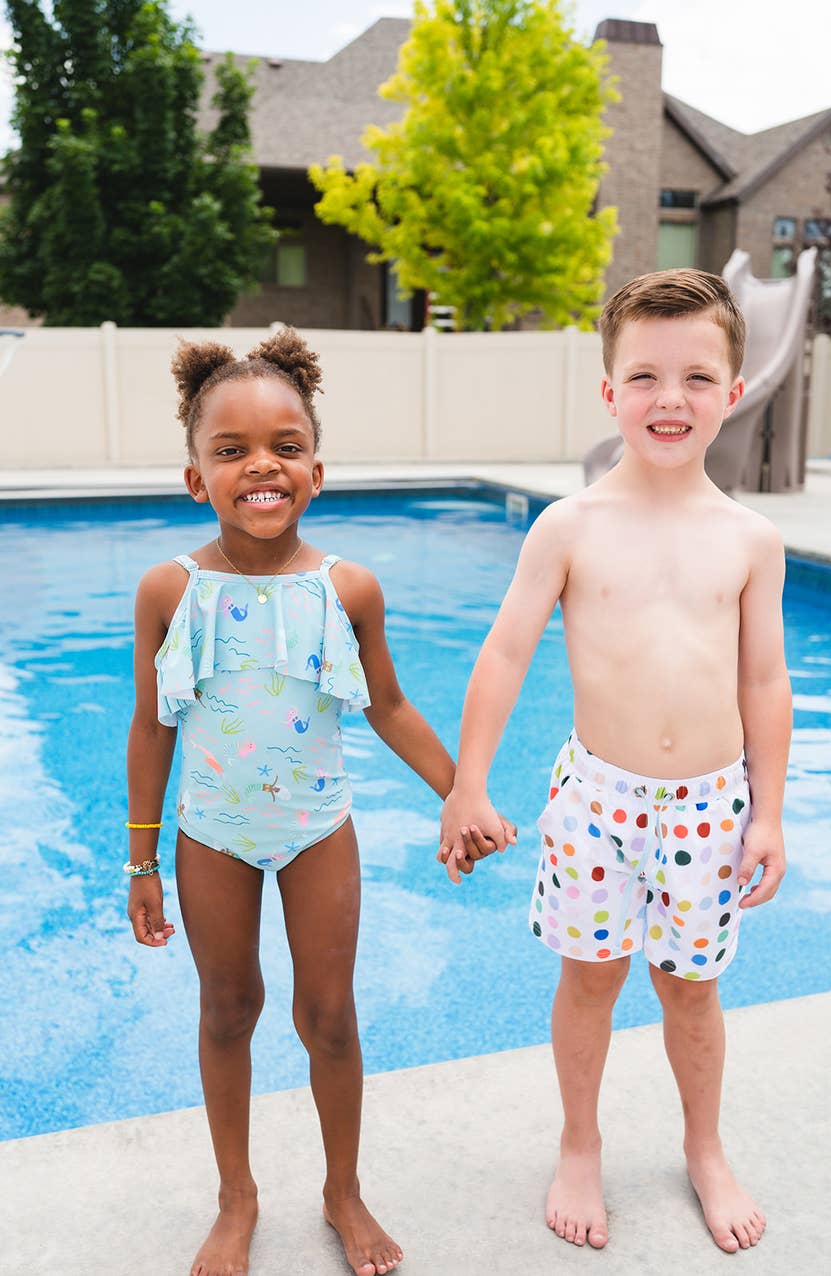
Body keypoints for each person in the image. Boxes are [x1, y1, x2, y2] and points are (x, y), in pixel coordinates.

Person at [125, 327, 513, 1276]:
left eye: (284, 447)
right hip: (210, 832)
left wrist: (461, 791)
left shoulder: (349, 589)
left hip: (315, 832)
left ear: (316, 468)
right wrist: (141, 861)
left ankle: (342, 1189)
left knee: (329, 1016)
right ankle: (237, 1196)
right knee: (227, 1007)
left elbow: (389, 706)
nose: (262, 466)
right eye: (232, 451)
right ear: (194, 478)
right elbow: (151, 729)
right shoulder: (169, 591)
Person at [439, 269, 790, 1255]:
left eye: (694, 377)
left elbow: (764, 681)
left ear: (732, 389)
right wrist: (469, 781)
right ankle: (580, 1141)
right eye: (643, 376)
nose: (667, 399)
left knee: (690, 988)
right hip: (597, 798)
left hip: (709, 806)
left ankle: (704, 1146)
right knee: (589, 977)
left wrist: (765, 812)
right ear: (608, 393)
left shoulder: (751, 540)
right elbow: (504, 651)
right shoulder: (570, 526)